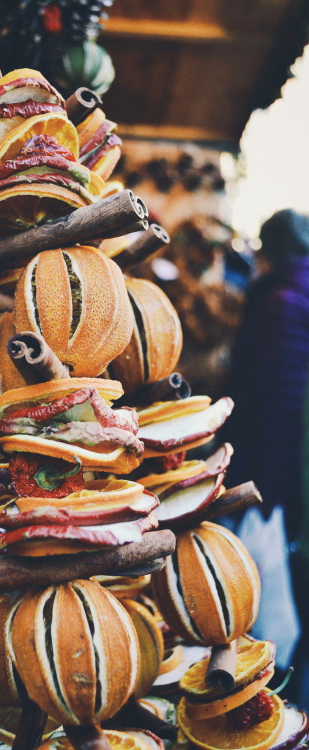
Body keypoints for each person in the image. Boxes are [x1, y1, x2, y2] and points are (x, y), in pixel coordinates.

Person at [226, 208, 309, 707]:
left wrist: (261, 495)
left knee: (283, 605)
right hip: (294, 475)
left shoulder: (281, 299)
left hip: (281, 479)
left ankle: (283, 711)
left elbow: (277, 403)